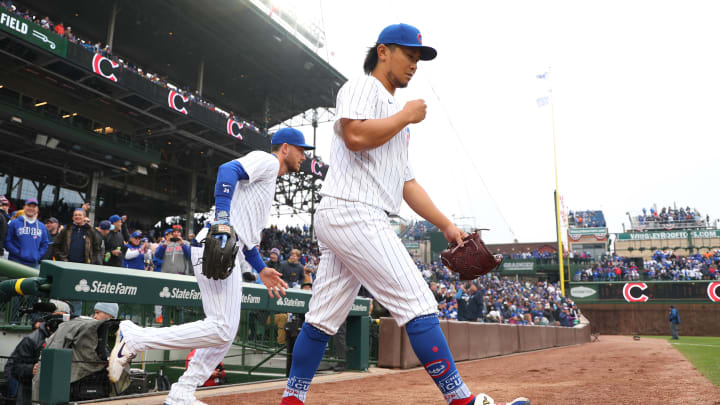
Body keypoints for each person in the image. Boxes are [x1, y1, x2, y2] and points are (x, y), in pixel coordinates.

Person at [281, 24, 528, 405]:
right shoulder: (364, 87)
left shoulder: (395, 115)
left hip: (348, 215)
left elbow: (407, 184)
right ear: (383, 51)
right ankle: (461, 400)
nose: (414, 65)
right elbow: (356, 137)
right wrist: (408, 116)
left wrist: (445, 224)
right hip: (354, 212)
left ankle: (291, 399)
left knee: (322, 318)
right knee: (418, 303)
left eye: (417, 59)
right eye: (408, 55)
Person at [107, 127, 313, 405]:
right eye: (301, 150)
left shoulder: (268, 183)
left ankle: (182, 392)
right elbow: (227, 169)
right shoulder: (267, 161)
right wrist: (223, 218)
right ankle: (135, 337)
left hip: (230, 252)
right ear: (285, 148)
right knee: (223, 328)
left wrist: (262, 268)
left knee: (225, 334)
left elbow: (248, 240)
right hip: (216, 246)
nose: (304, 156)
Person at [4, 299, 69, 405]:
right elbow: (14, 368)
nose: (57, 321)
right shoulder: (32, 340)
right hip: (29, 396)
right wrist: (31, 369)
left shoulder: (70, 337)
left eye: (62, 317)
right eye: (55, 316)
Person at [4, 198, 49, 268]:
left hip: (33, 264)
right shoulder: (14, 223)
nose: (31, 208)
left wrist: (38, 255)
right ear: (24, 207)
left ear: (37, 209)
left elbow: (45, 244)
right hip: (15, 263)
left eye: (34, 206)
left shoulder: (42, 226)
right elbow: (7, 241)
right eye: (29, 206)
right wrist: (18, 253)